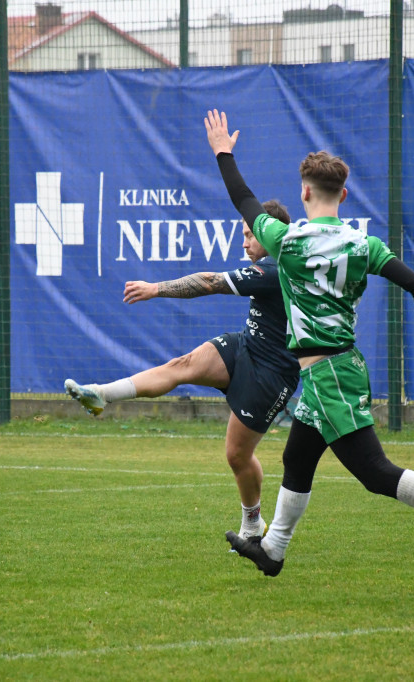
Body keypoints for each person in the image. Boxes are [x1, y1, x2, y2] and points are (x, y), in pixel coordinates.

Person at [204, 109, 414, 582]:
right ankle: (273, 549)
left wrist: (223, 152)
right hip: (337, 368)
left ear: (303, 193)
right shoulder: (364, 245)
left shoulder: (288, 241)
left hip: (329, 374)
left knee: (376, 473)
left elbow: (243, 198)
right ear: (343, 195)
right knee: (297, 458)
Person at [64, 200, 302, 541]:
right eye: (244, 234)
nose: (245, 242)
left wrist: (155, 289)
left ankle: (253, 522)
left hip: (271, 374)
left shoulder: (276, 270)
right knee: (182, 365)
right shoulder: (268, 266)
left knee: (237, 455)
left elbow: (209, 282)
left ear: (271, 234)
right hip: (248, 346)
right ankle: (102, 394)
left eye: (251, 234)